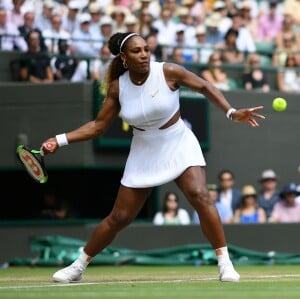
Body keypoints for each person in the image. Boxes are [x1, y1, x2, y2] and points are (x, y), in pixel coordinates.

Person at [41, 32, 265, 283]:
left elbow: (204, 85)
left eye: (146, 49)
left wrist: (232, 112)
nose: (144, 54)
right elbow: (98, 127)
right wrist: (59, 140)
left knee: (200, 196)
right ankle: (78, 266)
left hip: (178, 141)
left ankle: (225, 263)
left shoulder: (168, 71)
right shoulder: (118, 87)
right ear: (124, 58)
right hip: (144, 150)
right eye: (137, 51)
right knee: (119, 218)